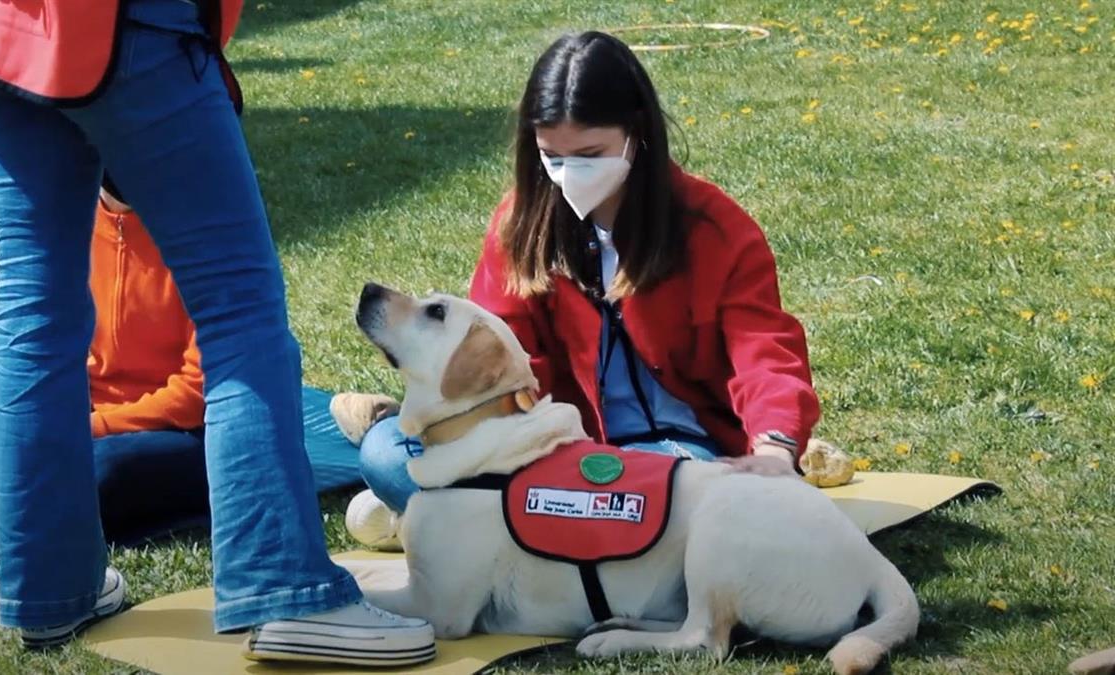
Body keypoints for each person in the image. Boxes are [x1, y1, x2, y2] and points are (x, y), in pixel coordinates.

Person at [0, 0, 434, 665]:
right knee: (239, 309)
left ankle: (53, 588)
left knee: (34, 303)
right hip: (127, 24)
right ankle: (287, 594)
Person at [339, 31, 820, 550]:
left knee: (671, 497)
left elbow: (765, 352)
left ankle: (471, 522)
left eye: (590, 154)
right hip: (552, 452)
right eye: (553, 156)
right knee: (386, 453)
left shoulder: (715, 227)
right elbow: (506, 360)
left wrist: (774, 447)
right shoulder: (518, 223)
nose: (569, 175)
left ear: (637, 132)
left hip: (680, 458)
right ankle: (529, 527)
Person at [0, 185, 209, 560]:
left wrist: (89, 428)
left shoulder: (202, 232)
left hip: (176, 434)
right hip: (77, 407)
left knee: (102, 466)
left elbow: (193, 396)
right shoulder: (70, 222)